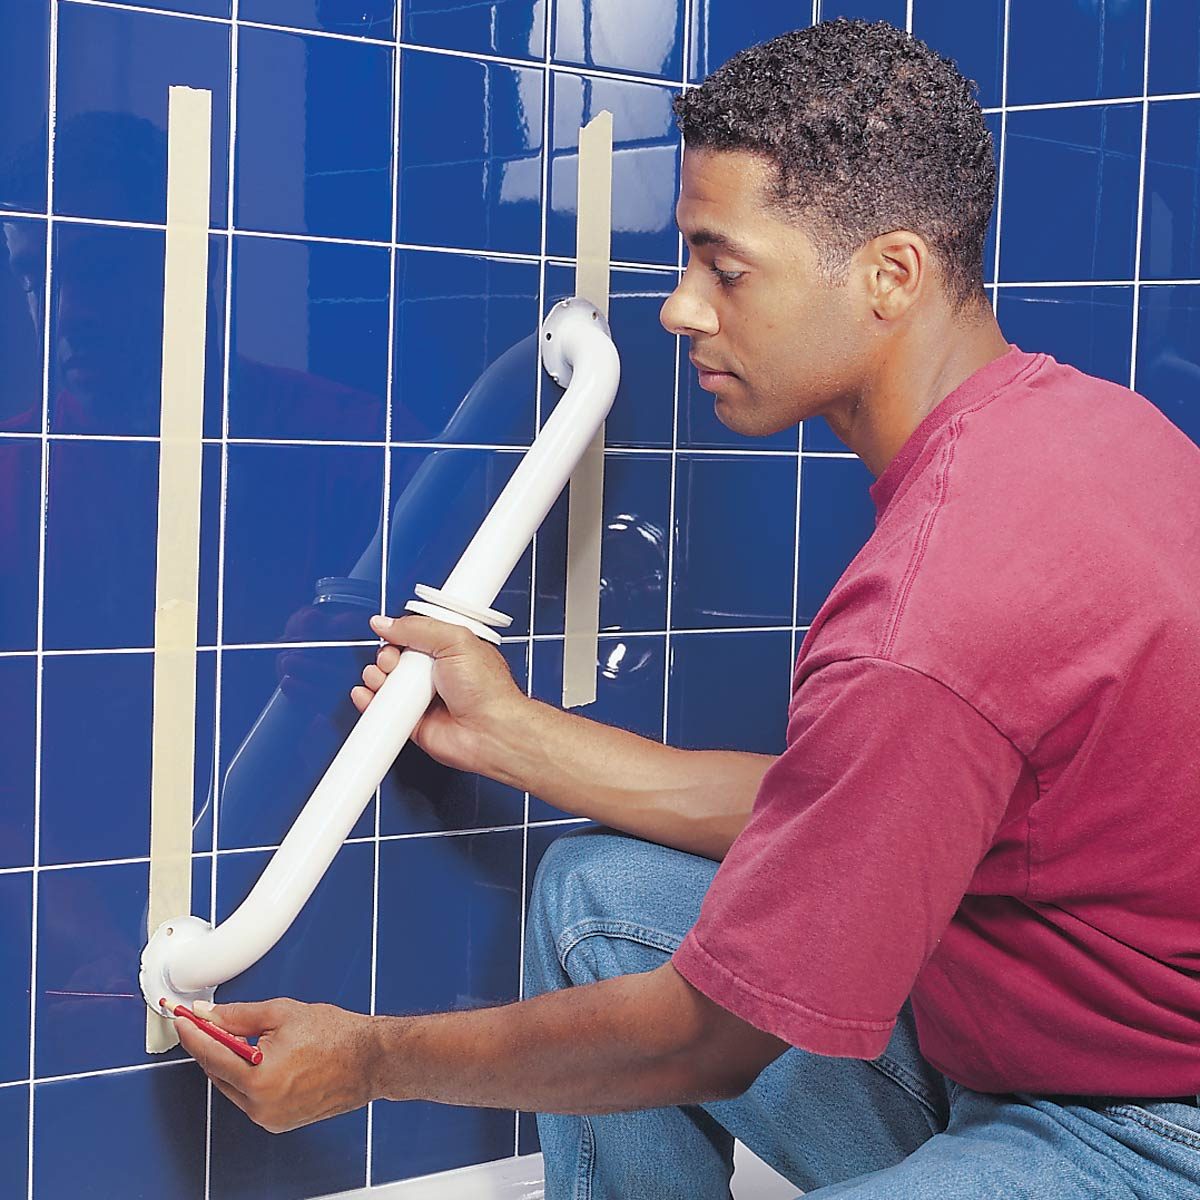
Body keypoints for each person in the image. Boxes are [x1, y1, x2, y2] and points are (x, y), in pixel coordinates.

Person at [175, 20, 1200, 1198]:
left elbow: (713, 1037)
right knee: (603, 898)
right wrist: (516, 735)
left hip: (1139, 1133)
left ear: (892, 275)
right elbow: (850, 808)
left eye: (726, 265)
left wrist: (373, 1058)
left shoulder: (934, 610)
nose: (680, 309)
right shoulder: (1096, 431)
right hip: (1004, 1060)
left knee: (680, 993)